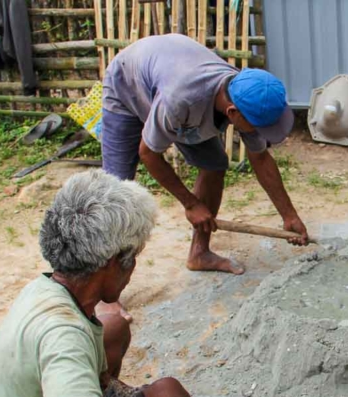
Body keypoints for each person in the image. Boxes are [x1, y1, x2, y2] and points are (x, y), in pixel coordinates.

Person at [0, 170, 264, 397]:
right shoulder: (63, 332)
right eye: (134, 258)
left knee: (114, 328)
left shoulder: (45, 291)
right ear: (115, 261)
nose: (133, 268)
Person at [101, 33, 308, 279]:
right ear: (233, 113)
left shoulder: (246, 92)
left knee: (214, 163)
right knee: (115, 195)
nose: (261, 133)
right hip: (127, 84)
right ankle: (100, 294)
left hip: (168, 79)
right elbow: (148, 153)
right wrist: (190, 203)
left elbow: (260, 158)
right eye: (259, 127)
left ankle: (199, 253)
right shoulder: (181, 100)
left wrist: (289, 215)